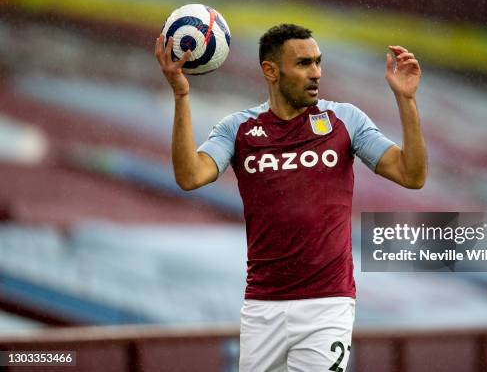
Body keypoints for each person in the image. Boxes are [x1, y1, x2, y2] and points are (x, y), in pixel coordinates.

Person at [154, 23, 427, 372]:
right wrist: (181, 96)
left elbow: (412, 174)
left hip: (327, 305)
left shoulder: (344, 120)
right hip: (261, 306)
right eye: (303, 64)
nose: (316, 73)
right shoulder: (238, 129)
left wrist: (406, 100)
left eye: (318, 62)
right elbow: (190, 176)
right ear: (270, 70)